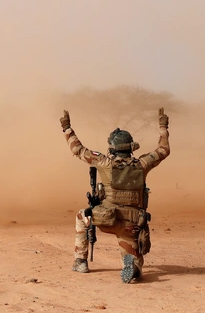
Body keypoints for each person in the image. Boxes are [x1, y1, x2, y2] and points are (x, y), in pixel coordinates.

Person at [59, 107, 170, 283]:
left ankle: (80, 261)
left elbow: (78, 150)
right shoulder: (142, 164)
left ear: (113, 148)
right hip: (131, 225)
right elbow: (163, 149)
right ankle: (132, 266)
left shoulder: (104, 162)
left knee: (81, 216)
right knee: (133, 259)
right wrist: (163, 126)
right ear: (130, 147)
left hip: (106, 219)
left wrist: (67, 128)